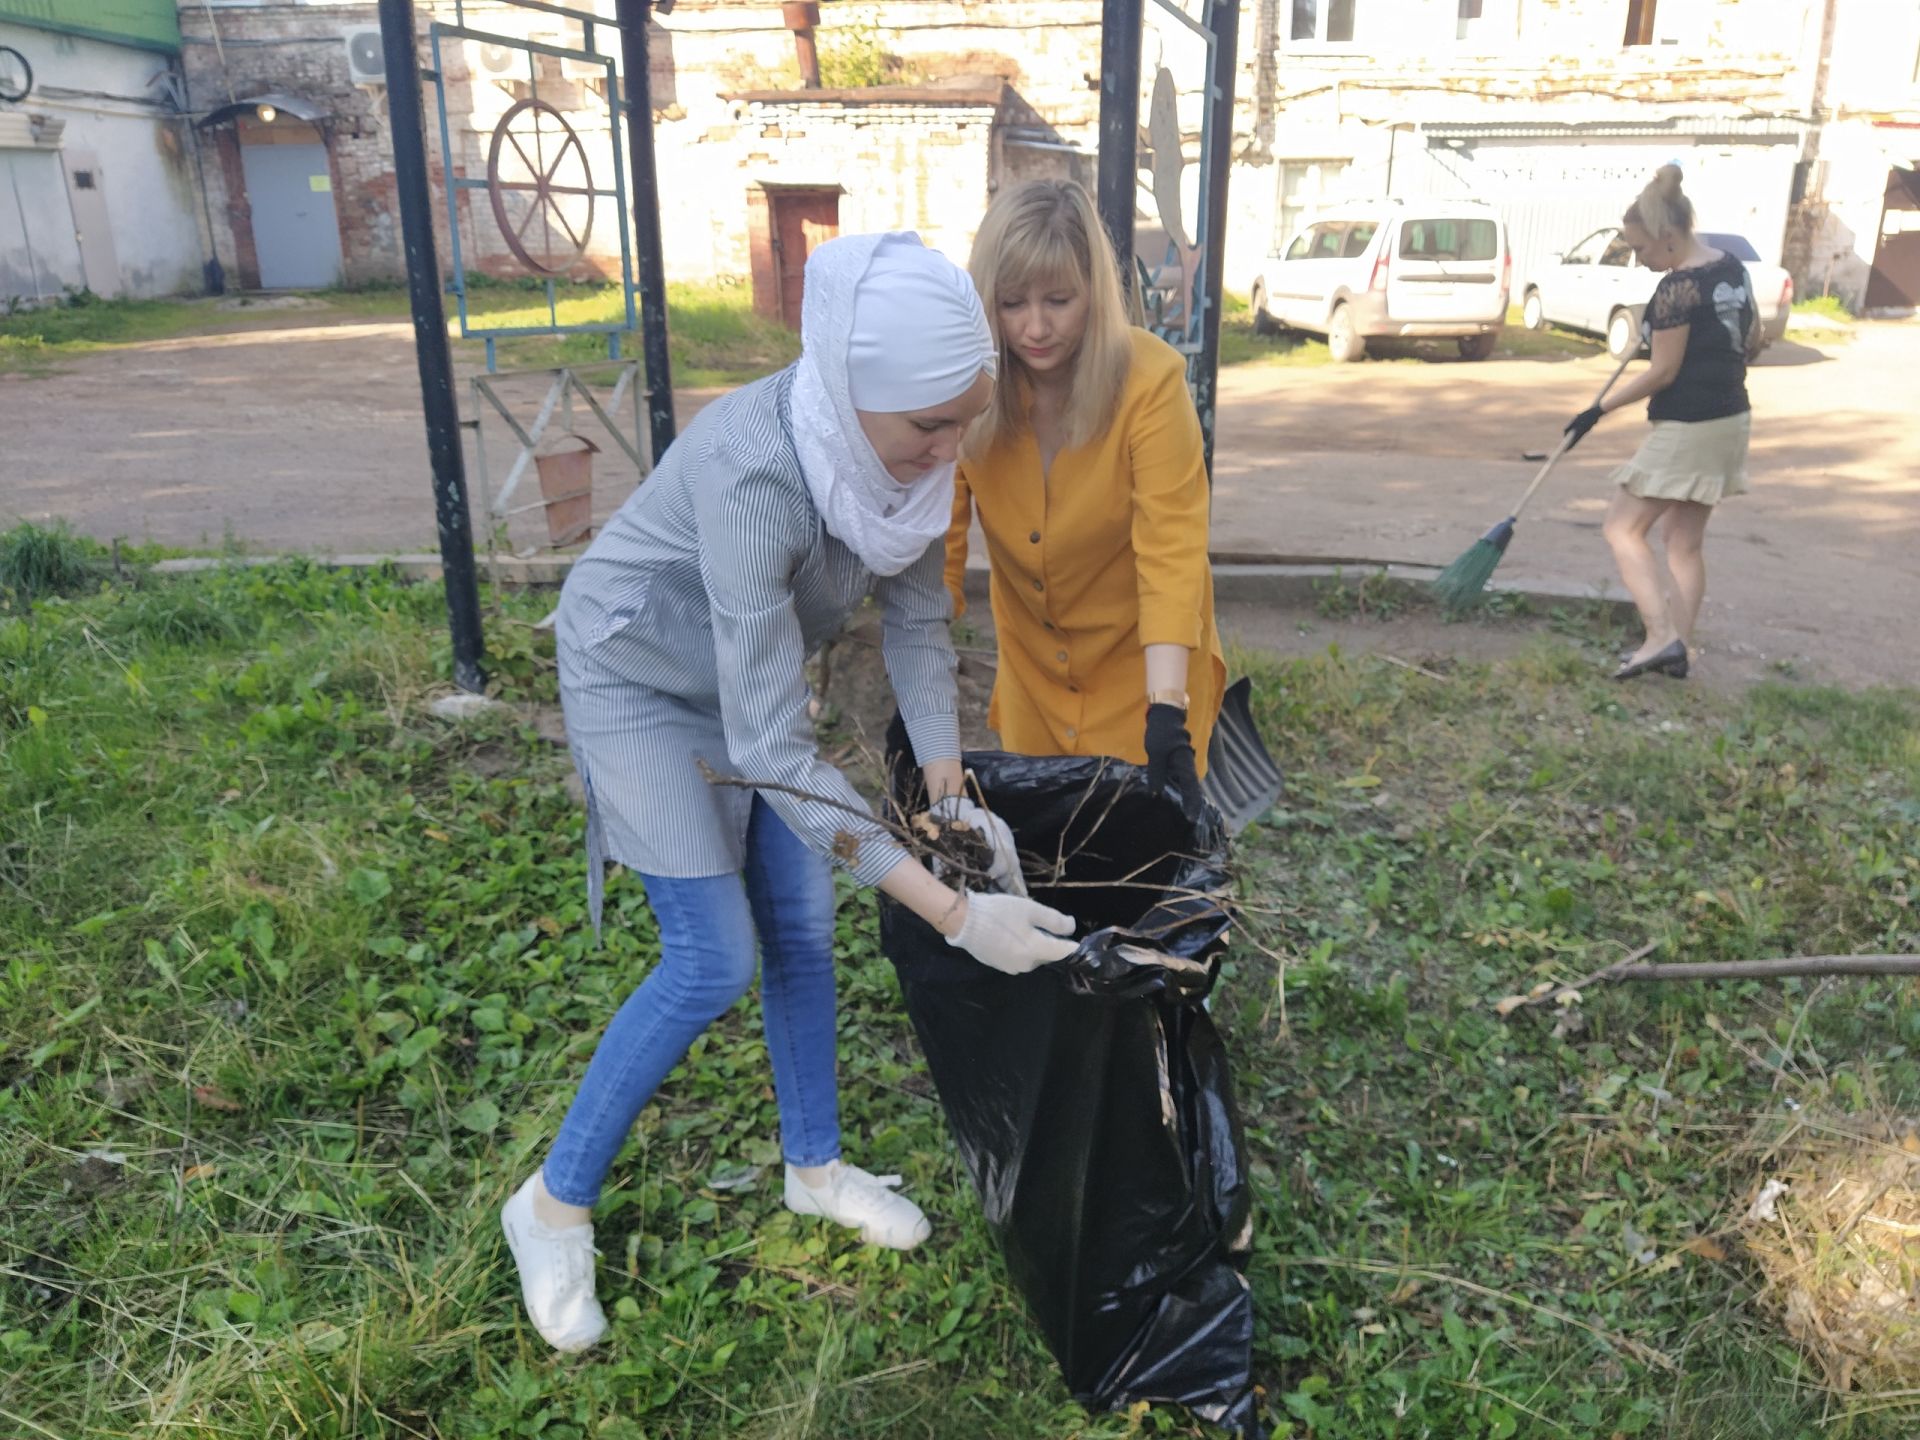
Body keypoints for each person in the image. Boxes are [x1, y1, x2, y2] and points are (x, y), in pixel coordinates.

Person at [501, 232, 1080, 1354]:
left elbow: (916, 619)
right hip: (640, 676)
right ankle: (550, 1203)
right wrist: (957, 915)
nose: (951, 450)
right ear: (856, 395)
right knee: (714, 957)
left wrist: (949, 783)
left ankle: (813, 1170)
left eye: (966, 422)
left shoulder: (901, 461)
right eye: (930, 428)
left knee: (805, 935)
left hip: (742, 677)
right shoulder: (761, 476)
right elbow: (774, 746)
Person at [945, 180, 1225, 815]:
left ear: (1094, 293)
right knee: (1049, 874)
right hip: (1033, 687)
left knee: (1139, 868)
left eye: (1060, 301)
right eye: (1012, 304)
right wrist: (918, 678)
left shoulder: (1150, 386)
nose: (1035, 328)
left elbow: (1171, 555)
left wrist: (1167, 714)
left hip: (1143, 678)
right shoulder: (965, 392)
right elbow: (940, 548)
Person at [1561, 163, 1765, 680]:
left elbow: (1663, 372)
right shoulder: (1733, 268)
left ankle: (1658, 637)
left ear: (1669, 237)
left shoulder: (1678, 288)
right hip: (1730, 419)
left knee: (1621, 527)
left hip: (1690, 425)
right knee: (1682, 541)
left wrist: (1596, 411)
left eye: (1641, 248)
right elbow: (1754, 339)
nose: (1638, 257)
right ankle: (1679, 649)